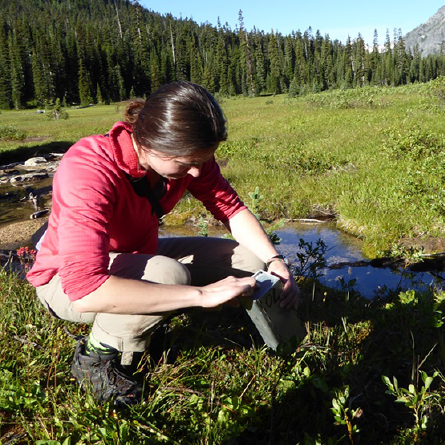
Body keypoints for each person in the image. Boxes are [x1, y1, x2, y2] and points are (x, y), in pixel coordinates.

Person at [27, 81, 299, 406]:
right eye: (186, 163)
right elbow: (85, 290)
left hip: (137, 257)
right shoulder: (88, 169)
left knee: (250, 262)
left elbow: (232, 209)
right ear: (151, 142)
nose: (197, 173)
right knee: (170, 276)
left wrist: (274, 260)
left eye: (203, 160)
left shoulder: (185, 158)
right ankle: (96, 359)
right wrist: (201, 295)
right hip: (63, 281)